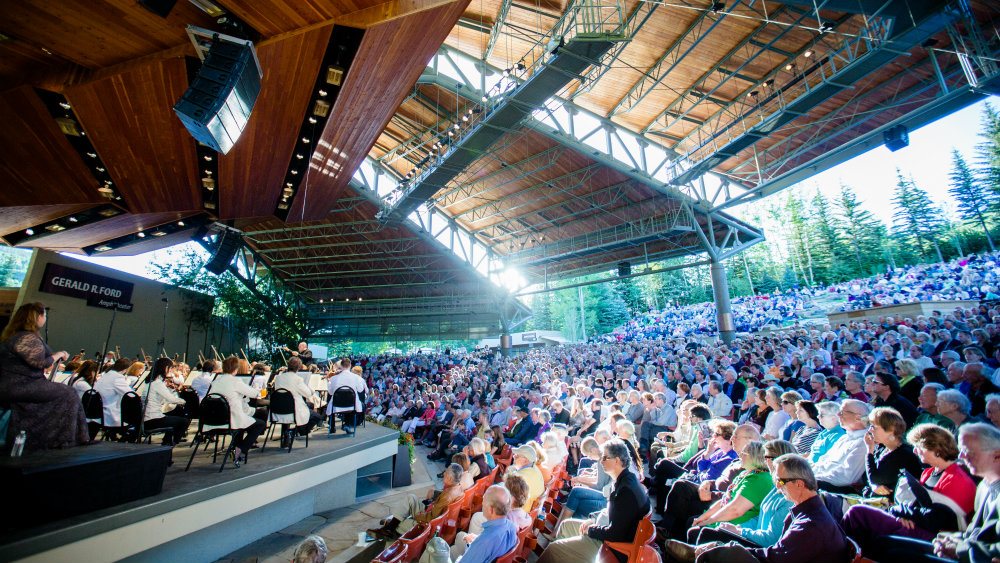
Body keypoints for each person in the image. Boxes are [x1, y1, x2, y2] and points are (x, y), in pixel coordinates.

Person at [685, 453, 850, 563]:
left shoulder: (811, 524)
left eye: (781, 481)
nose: (777, 486)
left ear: (800, 484)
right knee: (708, 535)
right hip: (775, 554)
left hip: (774, 557)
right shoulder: (807, 511)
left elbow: (774, 556)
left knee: (719, 549)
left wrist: (725, 548)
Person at [874, 423, 1000, 562]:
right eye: (962, 449)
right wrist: (949, 540)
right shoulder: (985, 485)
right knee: (882, 543)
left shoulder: (966, 481)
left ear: (997, 454)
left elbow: (994, 548)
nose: (962, 455)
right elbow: (973, 531)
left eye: (969, 451)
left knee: (895, 554)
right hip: (966, 549)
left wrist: (958, 548)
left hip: (973, 557)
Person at [842, 423, 976, 554]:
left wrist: (899, 511)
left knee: (858, 513)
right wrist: (903, 516)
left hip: (937, 537)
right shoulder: (929, 472)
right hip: (916, 524)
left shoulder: (957, 479)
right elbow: (916, 506)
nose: (915, 451)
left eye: (919, 447)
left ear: (937, 450)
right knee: (859, 517)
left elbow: (936, 519)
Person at [538, 439, 651, 563]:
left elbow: (615, 534)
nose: (601, 462)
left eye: (605, 458)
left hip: (608, 546)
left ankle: (563, 553)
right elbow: (611, 515)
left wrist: (591, 529)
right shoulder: (624, 480)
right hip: (603, 530)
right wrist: (593, 520)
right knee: (565, 526)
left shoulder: (626, 491)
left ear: (617, 461)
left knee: (554, 549)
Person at [0, 302, 89, 452]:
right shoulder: (27, 337)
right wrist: (58, 354)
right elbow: (40, 362)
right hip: (21, 385)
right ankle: (59, 439)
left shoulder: (16, 336)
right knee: (70, 393)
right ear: (36, 317)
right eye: (44, 315)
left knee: (65, 392)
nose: (45, 318)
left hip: (16, 384)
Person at [369, 463, 465, 539]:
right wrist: (436, 494)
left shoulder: (447, 496)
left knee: (399, 523)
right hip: (431, 513)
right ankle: (389, 527)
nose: (444, 473)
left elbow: (432, 518)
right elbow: (443, 499)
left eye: (446, 472)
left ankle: (390, 528)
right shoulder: (458, 488)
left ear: (450, 478)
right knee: (411, 497)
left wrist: (418, 515)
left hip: (426, 525)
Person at [208, 356, 266, 466]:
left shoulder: (215, 382)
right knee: (260, 424)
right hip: (230, 420)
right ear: (235, 369)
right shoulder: (236, 381)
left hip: (214, 420)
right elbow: (254, 394)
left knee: (244, 421)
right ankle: (240, 449)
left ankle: (236, 447)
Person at [860, 406, 923, 499]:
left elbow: (874, 478)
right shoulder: (882, 448)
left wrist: (869, 450)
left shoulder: (903, 455)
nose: (870, 430)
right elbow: (866, 478)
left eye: (874, 427)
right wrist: (874, 486)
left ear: (891, 430)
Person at [812, 399, 870, 493]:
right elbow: (823, 461)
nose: (838, 415)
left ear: (858, 418)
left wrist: (811, 479)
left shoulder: (863, 442)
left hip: (834, 490)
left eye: (842, 412)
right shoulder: (844, 438)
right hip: (818, 480)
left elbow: (847, 477)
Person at [456, 484, 519, 563]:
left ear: (491, 509)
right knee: (458, 540)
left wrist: (476, 544)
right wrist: (477, 540)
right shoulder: (511, 526)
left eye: (484, 501)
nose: (482, 504)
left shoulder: (484, 543)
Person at [273, 357, 322, 442]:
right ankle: (296, 431)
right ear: (298, 367)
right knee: (317, 416)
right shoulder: (298, 379)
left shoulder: (278, 378)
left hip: (278, 409)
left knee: (308, 406)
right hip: (293, 410)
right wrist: (310, 389)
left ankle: (287, 433)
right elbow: (307, 393)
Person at [142, 357, 189, 445]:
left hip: (146, 417)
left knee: (173, 415)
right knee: (184, 421)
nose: (171, 371)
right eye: (170, 368)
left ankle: (167, 440)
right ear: (166, 368)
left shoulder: (150, 382)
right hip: (153, 419)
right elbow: (171, 399)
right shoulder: (158, 383)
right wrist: (183, 401)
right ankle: (172, 444)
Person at [326, 358, 368, 431]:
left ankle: (332, 426)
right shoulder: (356, 378)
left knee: (331, 398)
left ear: (341, 366)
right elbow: (360, 390)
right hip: (351, 405)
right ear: (350, 366)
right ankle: (347, 424)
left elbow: (330, 392)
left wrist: (329, 382)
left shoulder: (334, 378)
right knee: (350, 398)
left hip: (337, 404)